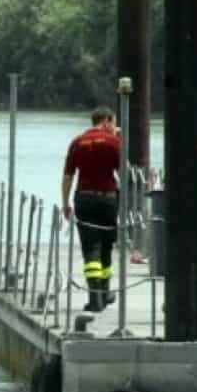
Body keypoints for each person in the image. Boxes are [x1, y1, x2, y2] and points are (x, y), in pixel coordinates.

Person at [62, 106, 121, 312]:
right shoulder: (114, 142)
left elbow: (68, 176)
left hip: (84, 199)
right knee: (106, 246)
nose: (114, 127)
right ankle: (104, 295)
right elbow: (124, 173)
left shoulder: (77, 142)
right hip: (108, 200)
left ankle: (95, 299)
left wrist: (65, 203)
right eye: (113, 123)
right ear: (106, 121)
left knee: (90, 249)